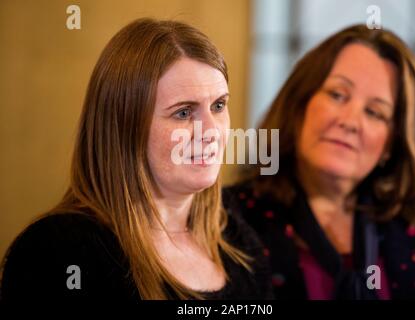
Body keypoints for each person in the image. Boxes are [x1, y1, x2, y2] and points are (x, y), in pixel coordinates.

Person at [0, 18, 272, 300]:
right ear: (124, 127)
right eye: (183, 113)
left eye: (218, 106)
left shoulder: (237, 240)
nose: (212, 132)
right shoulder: (59, 251)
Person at [223, 24, 415, 300]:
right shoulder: (228, 220)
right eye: (337, 95)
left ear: (392, 143)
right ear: (300, 105)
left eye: (375, 112)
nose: (350, 121)